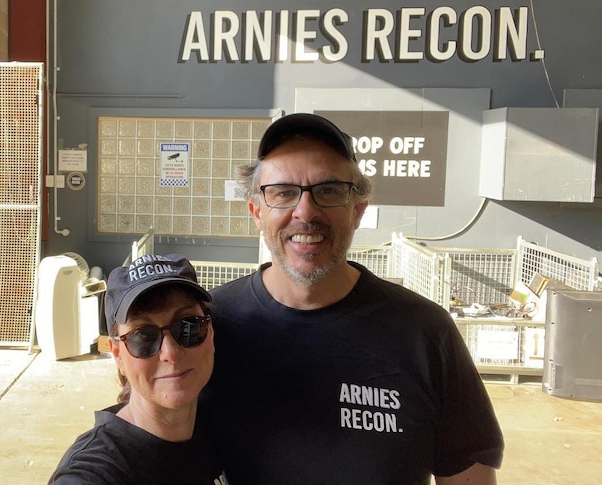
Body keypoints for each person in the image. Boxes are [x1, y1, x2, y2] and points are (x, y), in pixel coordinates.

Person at [198, 113, 504, 484]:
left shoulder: (424, 332)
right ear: (256, 212)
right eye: (282, 193)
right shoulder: (207, 326)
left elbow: (467, 476)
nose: (305, 212)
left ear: (357, 210)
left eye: (328, 190)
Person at [49, 253, 228, 485]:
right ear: (117, 356)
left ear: (210, 333)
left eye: (188, 327)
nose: (170, 354)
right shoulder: (97, 470)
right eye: (143, 336)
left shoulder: (214, 432)